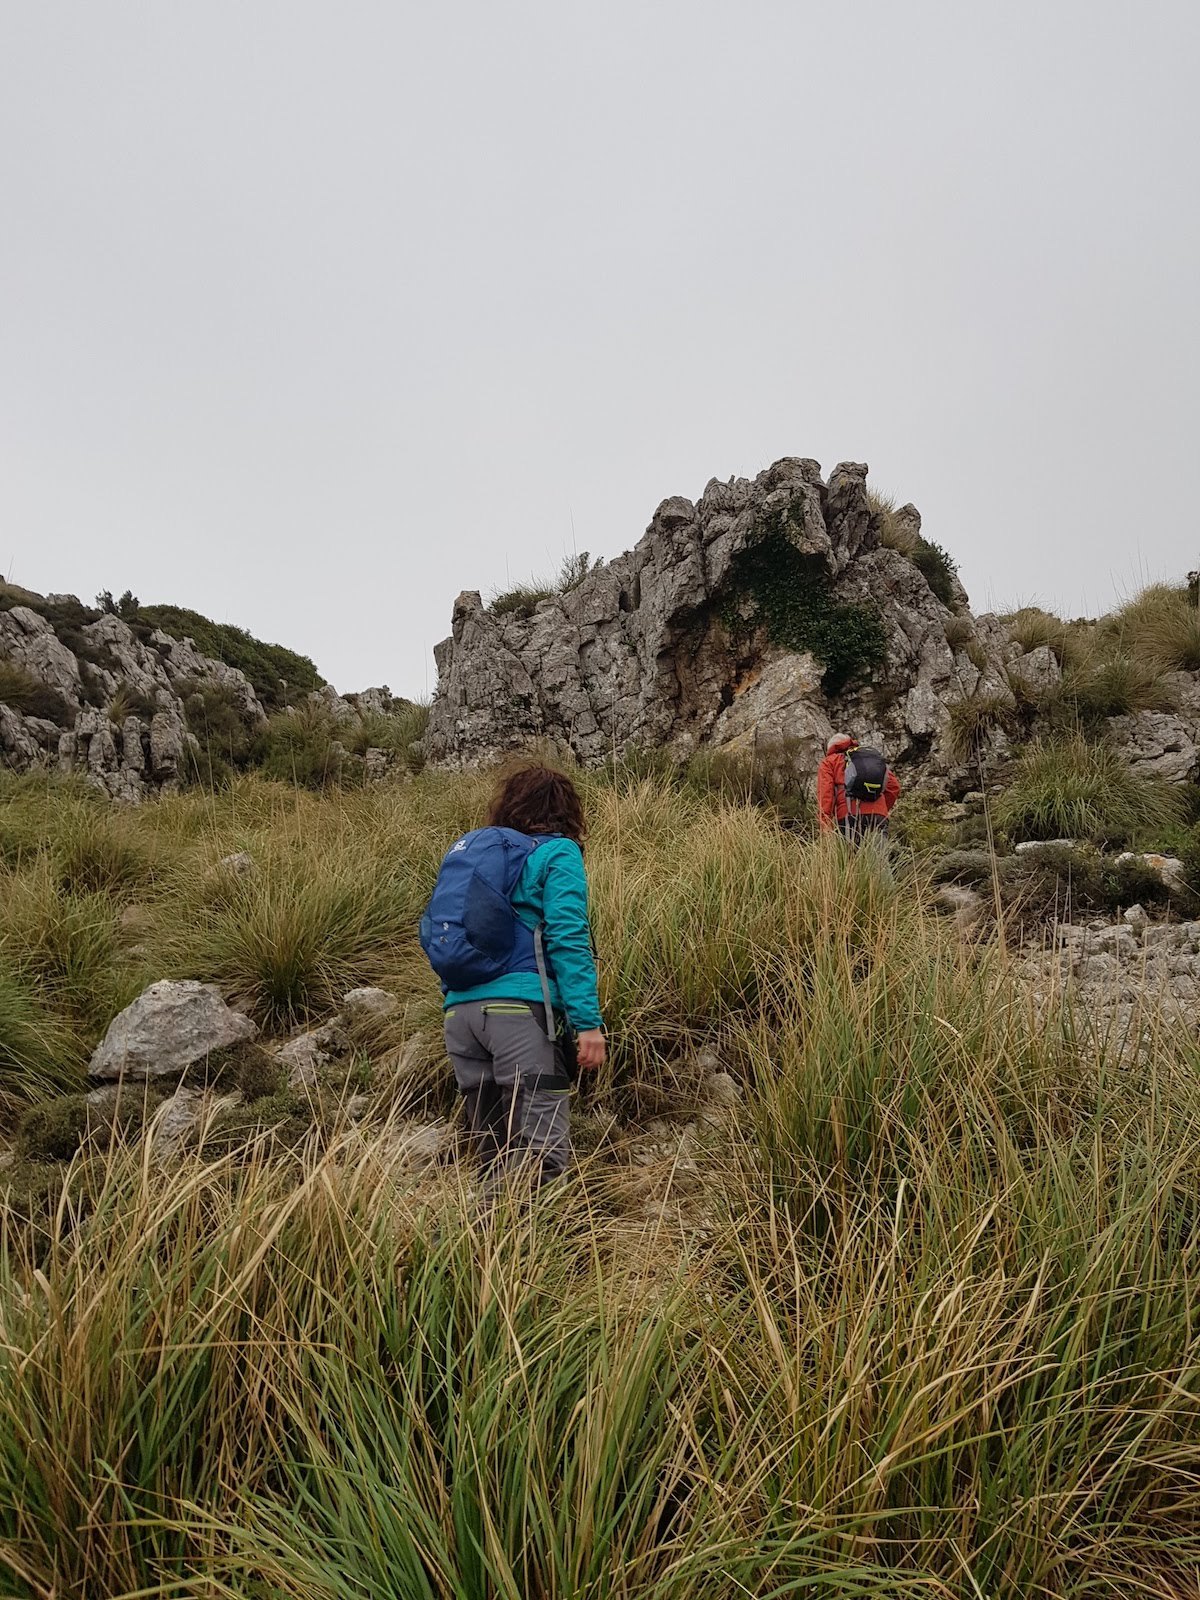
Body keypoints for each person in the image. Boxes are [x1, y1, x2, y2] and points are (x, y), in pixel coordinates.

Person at [423, 764, 606, 1188]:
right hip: (518, 1016)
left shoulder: (480, 856)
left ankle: (479, 1251)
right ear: (567, 811)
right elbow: (568, 937)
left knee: (494, 1156)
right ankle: (537, 1252)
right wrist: (587, 1024)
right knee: (541, 1157)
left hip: (460, 1017)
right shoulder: (558, 853)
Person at [817, 733, 901, 840]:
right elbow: (894, 787)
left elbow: (825, 794)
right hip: (878, 816)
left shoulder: (830, 762)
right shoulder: (870, 759)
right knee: (878, 856)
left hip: (849, 815)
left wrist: (825, 824)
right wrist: (881, 809)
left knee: (851, 856)